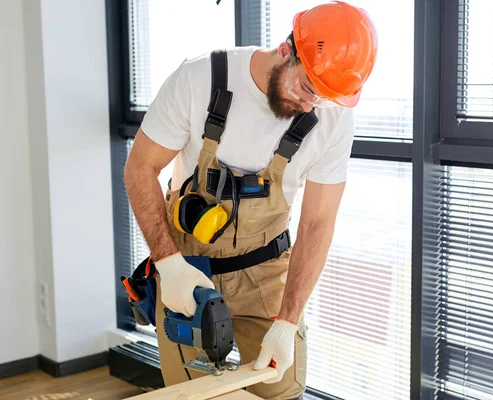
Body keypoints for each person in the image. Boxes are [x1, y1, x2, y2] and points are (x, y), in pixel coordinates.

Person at [123, 1, 378, 399]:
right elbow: (139, 169)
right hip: (189, 275)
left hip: (267, 275)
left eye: (324, 99)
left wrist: (288, 321)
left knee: (282, 389)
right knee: (200, 395)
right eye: (307, 88)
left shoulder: (332, 119)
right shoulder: (200, 79)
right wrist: (168, 266)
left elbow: (317, 222)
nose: (311, 106)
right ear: (285, 50)